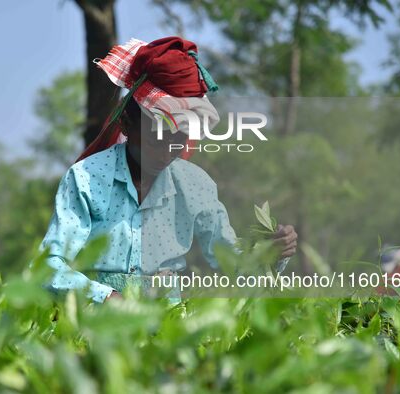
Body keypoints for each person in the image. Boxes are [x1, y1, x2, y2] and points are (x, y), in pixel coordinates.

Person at [39, 37, 297, 303]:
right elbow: (48, 268)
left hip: (168, 324)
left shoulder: (194, 185)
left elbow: (233, 264)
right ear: (127, 125)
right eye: (158, 135)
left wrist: (271, 253)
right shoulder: (86, 178)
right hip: (96, 326)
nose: (169, 149)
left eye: (180, 136)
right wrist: (105, 298)